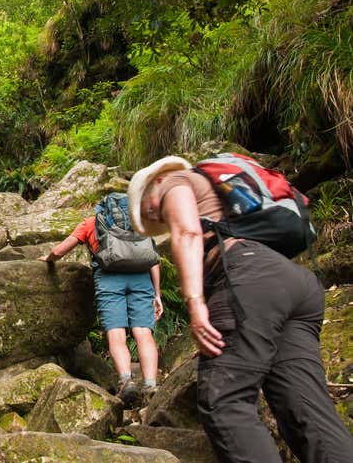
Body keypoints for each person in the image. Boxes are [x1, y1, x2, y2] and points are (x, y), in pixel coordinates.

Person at [127, 156, 353, 463]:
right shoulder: (217, 197)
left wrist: (195, 304)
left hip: (249, 280)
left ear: (156, 181)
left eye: (146, 206)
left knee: (223, 401)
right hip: (291, 284)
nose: (153, 213)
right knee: (305, 409)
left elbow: (188, 234)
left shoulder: (174, 181)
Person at [39, 193, 162, 406]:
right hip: (142, 281)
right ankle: (151, 385)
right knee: (143, 332)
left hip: (108, 281)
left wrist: (47, 258)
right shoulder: (139, 223)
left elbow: (60, 250)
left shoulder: (92, 223)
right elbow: (153, 260)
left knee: (116, 333)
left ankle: (126, 382)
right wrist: (157, 293)